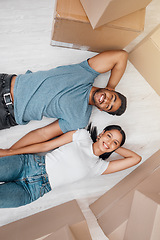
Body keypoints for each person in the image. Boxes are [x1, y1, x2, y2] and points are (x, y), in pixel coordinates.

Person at [0, 123, 141, 208]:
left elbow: (135, 158)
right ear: (101, 133)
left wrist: (114, 147)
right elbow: (46, 145)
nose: (109, 142)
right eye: (109, 136)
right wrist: (9, 152)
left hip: (32, 191)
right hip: (28, 165)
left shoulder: (99, 167)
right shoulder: (82, 136)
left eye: (115, 143)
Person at [0, 50, 128, 141]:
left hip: (6, 114)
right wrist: (111, 86)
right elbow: (121, 56)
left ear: (101, 109)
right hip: (5, 83)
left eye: (108, 106)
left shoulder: (79, 118)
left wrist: (10, 151)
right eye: (112, 97)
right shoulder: (86, 73)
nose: (107, 101)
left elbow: (43, 134)